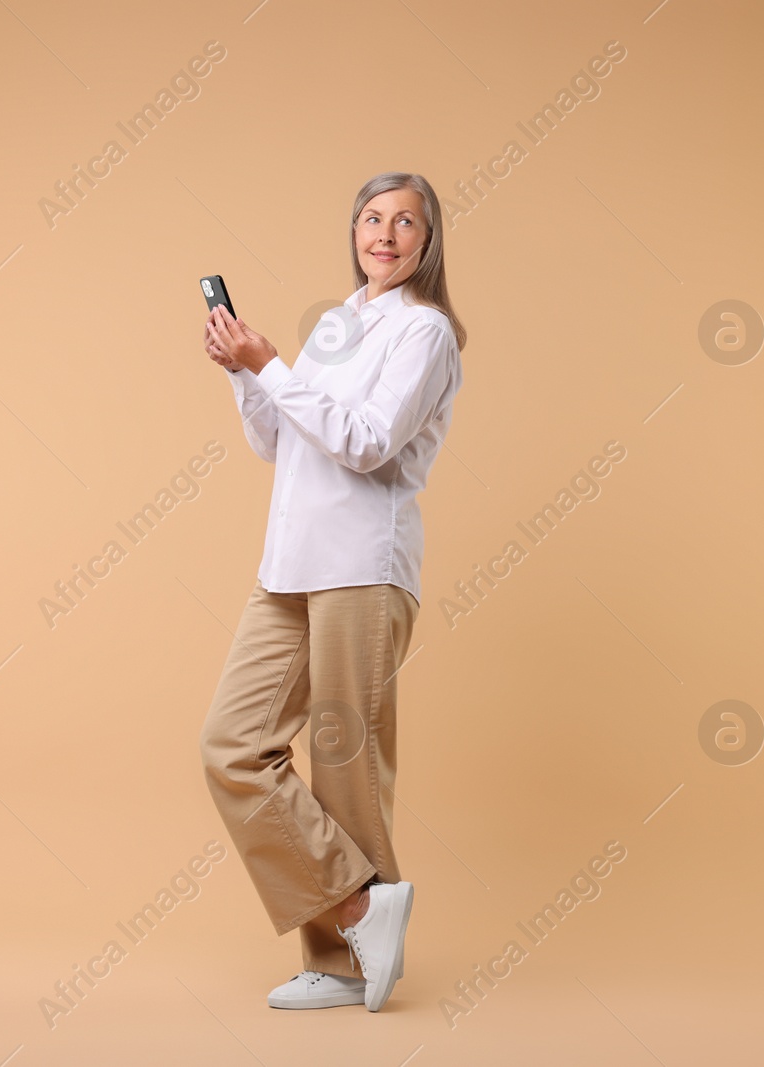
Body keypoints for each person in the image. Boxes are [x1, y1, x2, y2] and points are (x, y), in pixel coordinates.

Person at [197, 172, 465, 1012]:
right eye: (372, 218)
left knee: (347, 765)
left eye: (405, 222)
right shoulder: (339, 326)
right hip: (293, 561)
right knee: (233, 744)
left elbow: (365, 442)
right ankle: (355, 911)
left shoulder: (425, 334)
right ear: (354, 230)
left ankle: (345, 965)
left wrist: (271, 362)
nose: (385, 234)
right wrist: (245, 372)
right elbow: (281, 439)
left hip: (362, 562)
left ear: (428, 241)